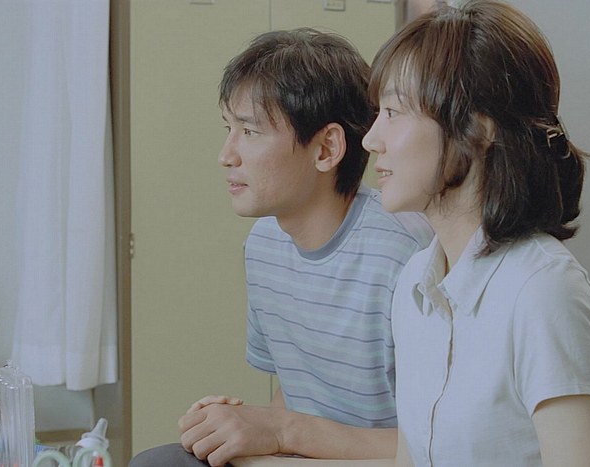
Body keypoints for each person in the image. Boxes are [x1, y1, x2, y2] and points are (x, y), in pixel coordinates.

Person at [129, 28, 432, 467]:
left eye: (250, 131)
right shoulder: (265, 244)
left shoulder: (405, 258)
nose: (226, 155)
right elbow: (292, 395)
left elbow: (438, 443)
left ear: (326, 148)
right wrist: (244, 426)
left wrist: (280, 430)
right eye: (229, 128)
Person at [361, 1, 590, 466]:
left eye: (393, 111)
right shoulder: (414, 284)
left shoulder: (543, 291)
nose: (371, 138)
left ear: (477, 129)